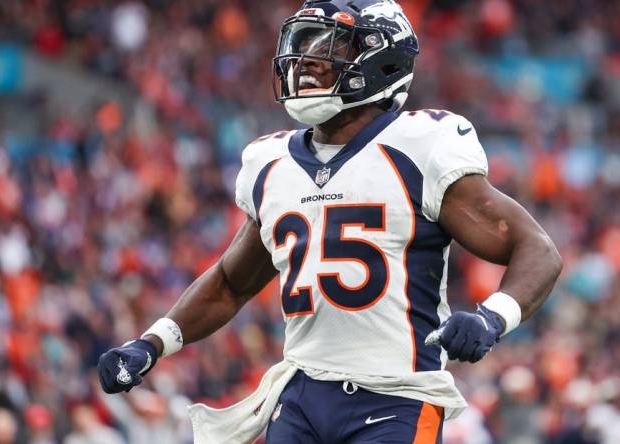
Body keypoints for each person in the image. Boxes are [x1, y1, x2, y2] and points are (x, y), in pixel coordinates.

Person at [97, 1, 562, 442]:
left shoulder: (421, 146)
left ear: (383, 58)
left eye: (329, 47)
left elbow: (536, 249)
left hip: (396, 397)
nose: (308, 62)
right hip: (301, 398)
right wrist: (152, 343)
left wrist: (491, 318)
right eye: (305, 46)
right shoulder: (271, 161)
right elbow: (229, 284)